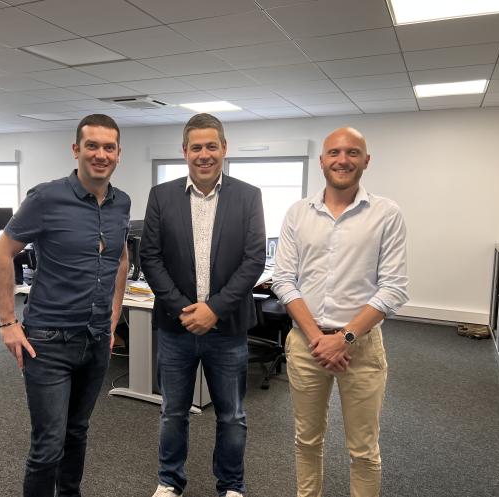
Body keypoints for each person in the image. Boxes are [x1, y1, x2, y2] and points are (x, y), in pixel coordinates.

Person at [0, 114, 130, 497]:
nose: (100, 154)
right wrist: (7, 323)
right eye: (92, 146)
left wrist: (114, 315)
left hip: (97, 338)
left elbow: (120, 259)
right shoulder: (46, 197)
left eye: (108, 147)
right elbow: (3, 253)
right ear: (76, 150)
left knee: (77, 432)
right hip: (48, 341)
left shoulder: (121, 203)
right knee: (48, 444)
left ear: (118, 153)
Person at [271, 127, 409, 497]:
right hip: (307, 343)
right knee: (306, 440)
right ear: (322, 161)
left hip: (360, 347)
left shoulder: (386, 213)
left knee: (363, 451)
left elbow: (393, 287)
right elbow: (284, 280)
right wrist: (319, 339)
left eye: (352, 152)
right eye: (334, 153)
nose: (342, 160)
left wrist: (344, 338)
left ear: (366, 160)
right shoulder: (298, 213)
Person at [140, 113, 266, 497]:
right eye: (196, 147)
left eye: (212, 146)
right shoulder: (162, 196)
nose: (204, 154)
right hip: (177, 329)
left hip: (227, 330)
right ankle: (169, 481)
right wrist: (184, 309)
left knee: (232, 416)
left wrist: (214, 309)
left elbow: (254, 259)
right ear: (184, 152)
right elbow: (151, 257)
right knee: (172, 413)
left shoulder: (248, 195)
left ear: (224, 149)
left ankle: (230, 486)